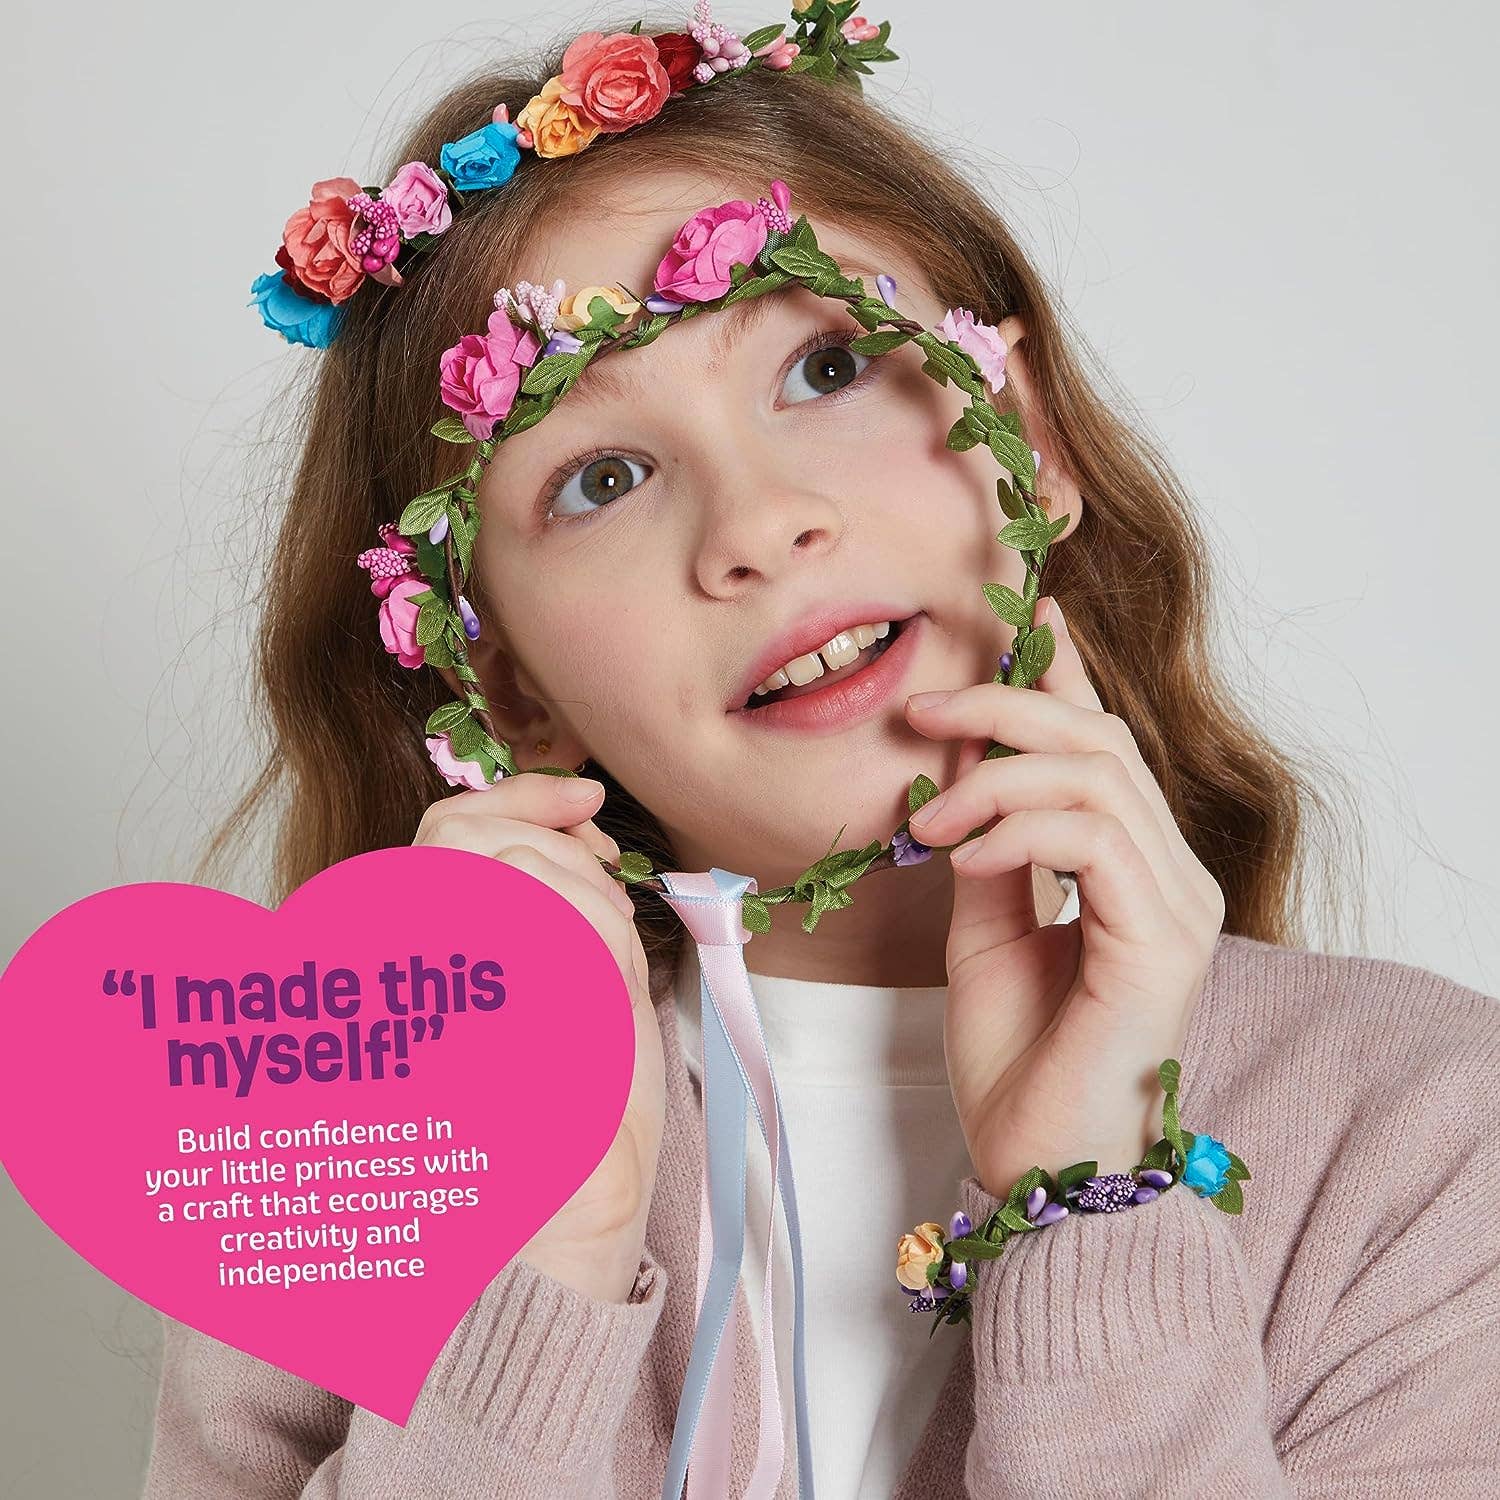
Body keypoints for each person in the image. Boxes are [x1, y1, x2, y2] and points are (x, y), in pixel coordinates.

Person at [144, 15, 1500, 1499]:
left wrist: (1091, 1200)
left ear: (1024, 434)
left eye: (831, 366)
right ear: (504, 682)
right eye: (603, 478)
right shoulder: (332, 1172)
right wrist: (532, 1262)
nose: (758, 523)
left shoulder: (1427, 1139)